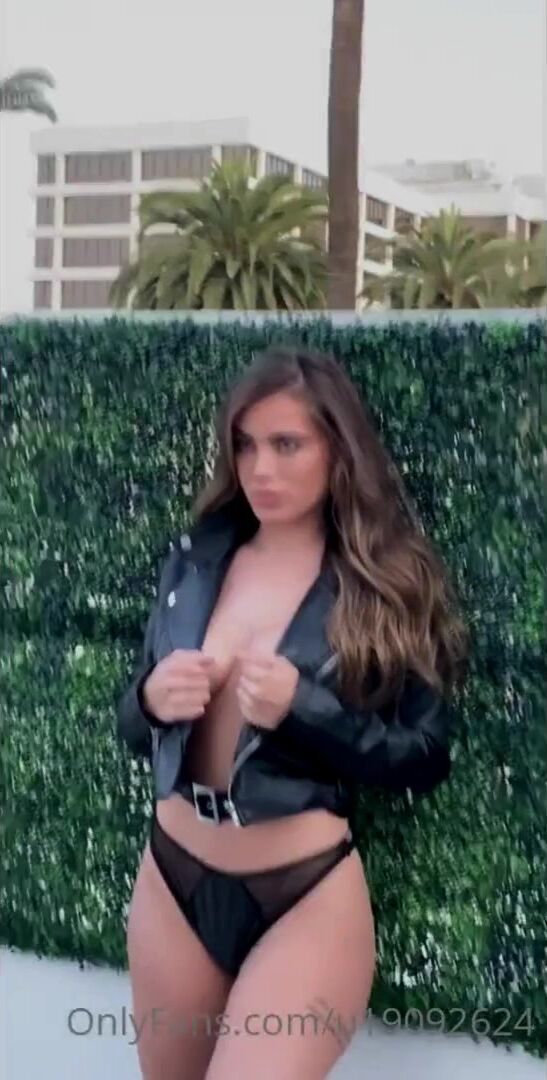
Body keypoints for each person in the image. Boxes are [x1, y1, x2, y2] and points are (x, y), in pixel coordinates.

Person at [117, 346, 469, 1080]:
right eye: (245, 445)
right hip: (172, 879)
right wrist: (150, 700)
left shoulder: (387, 580)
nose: (261, 469)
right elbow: (135, 726)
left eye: (286, 444)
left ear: (337, 451)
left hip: (301, 894)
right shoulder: (195, 559)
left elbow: (424, 757)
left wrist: (304, 709)